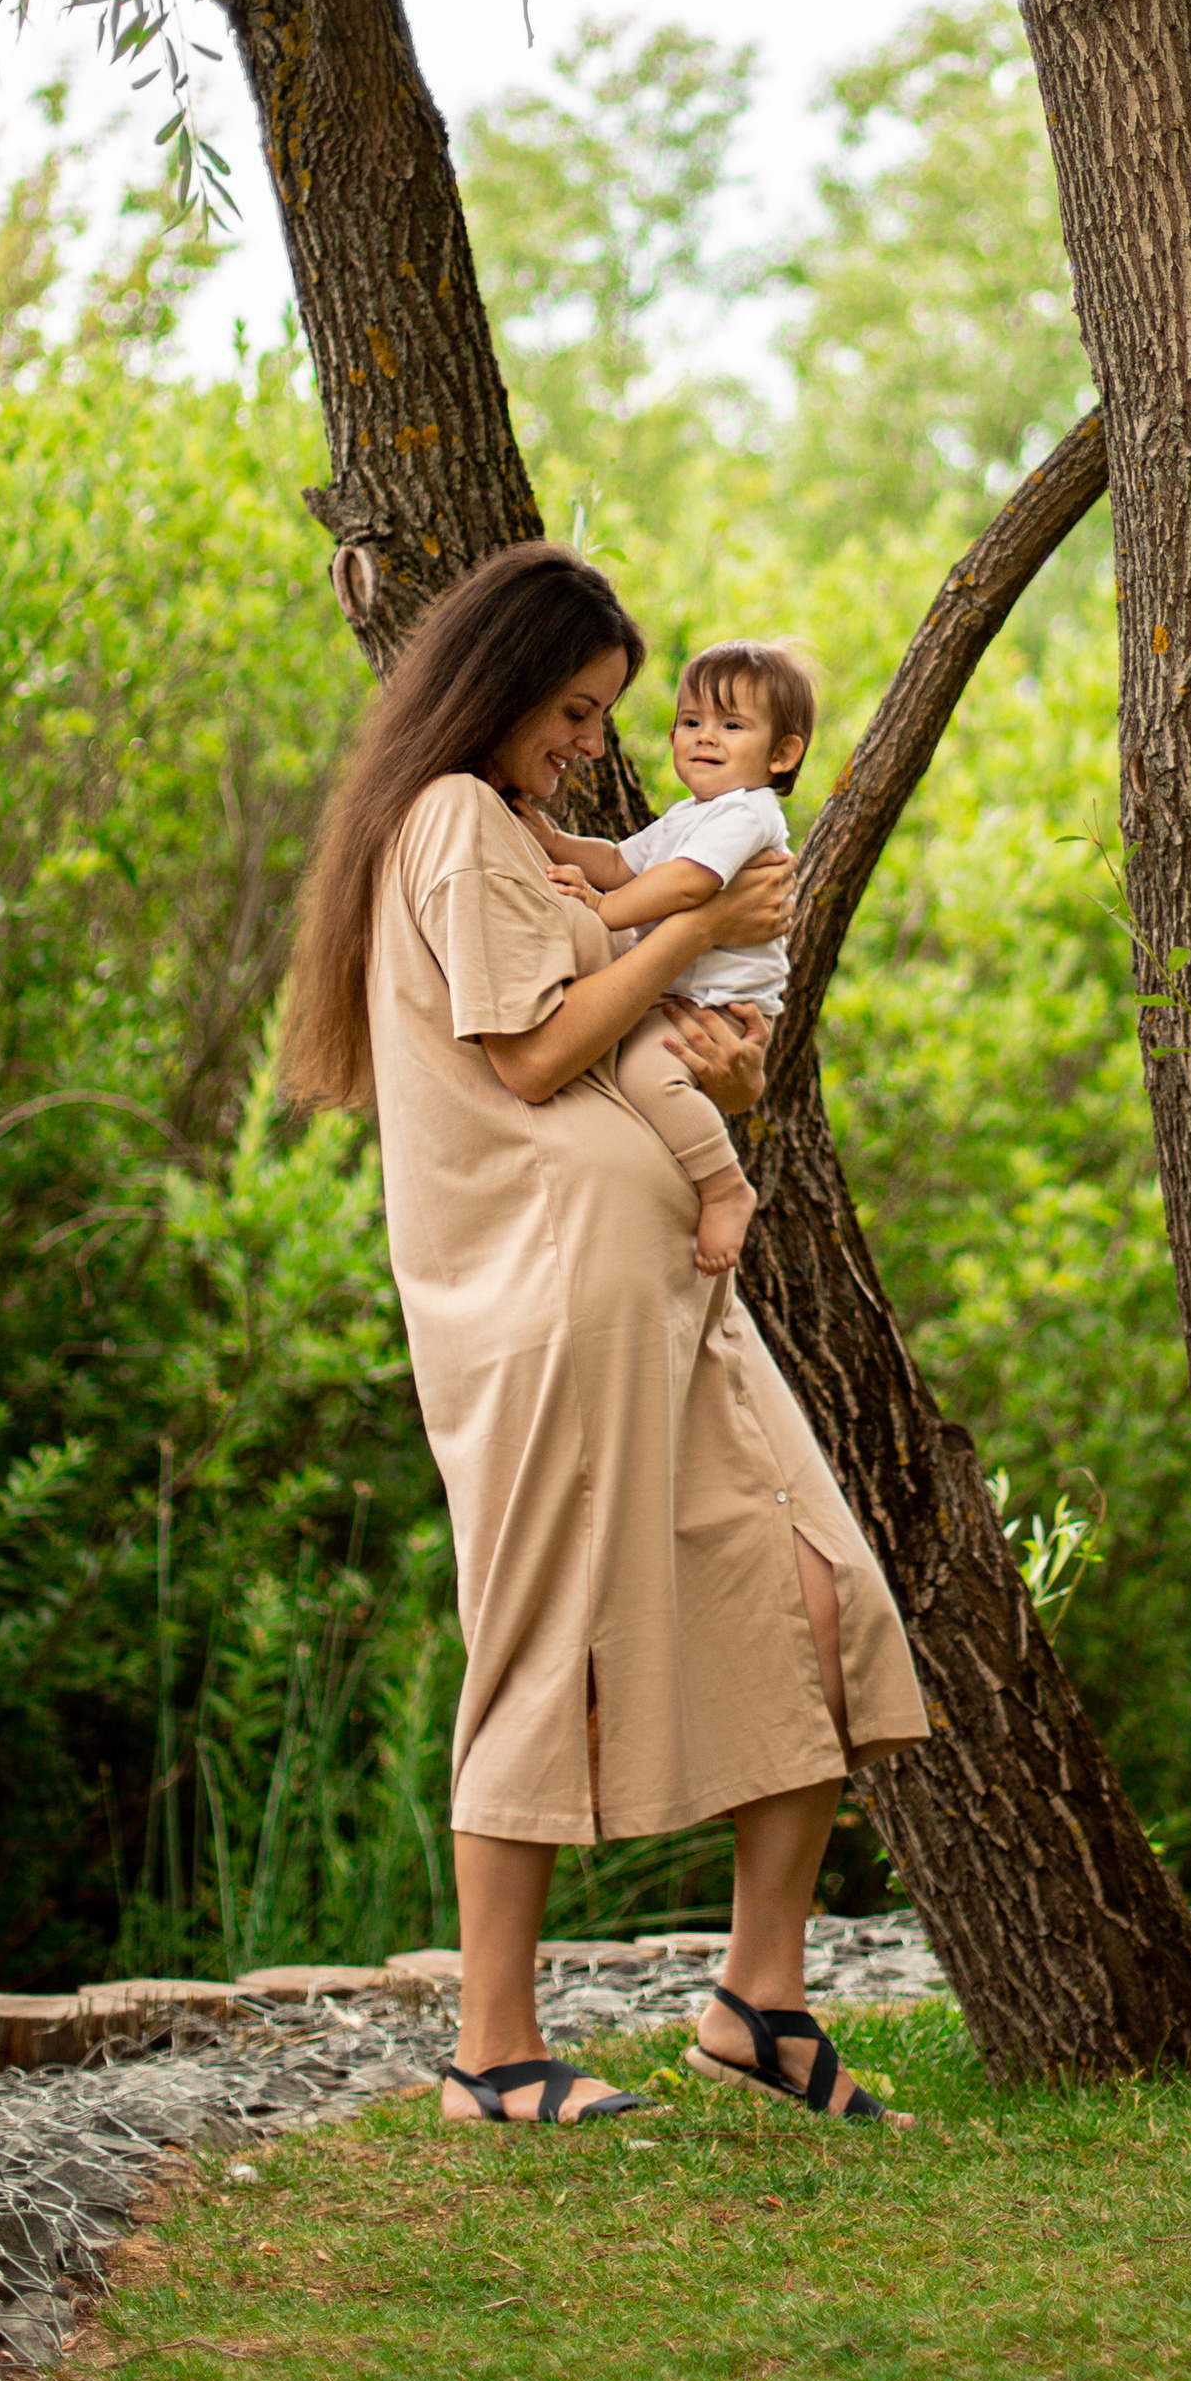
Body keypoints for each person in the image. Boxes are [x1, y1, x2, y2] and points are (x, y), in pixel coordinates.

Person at [280, 542, 928, 2131]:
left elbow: (623, 1039)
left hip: (673, 1297)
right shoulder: (446, 822)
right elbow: (531, 1053)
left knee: (822, 1592)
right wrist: (699, 911)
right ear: (497, 688)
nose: (589, 742)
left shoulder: (521, 832)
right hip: (551, 1300)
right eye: (573, 710)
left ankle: (756, 2006)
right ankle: (491, 2053)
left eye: (600, 715)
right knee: (544, 1637)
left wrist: (723, 1072)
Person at [521, 638, 813, 1289]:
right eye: (691, 721)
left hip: (722, 1009)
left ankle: (724, 1186)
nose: (705, 738)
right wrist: (556, 841)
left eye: (731, 725)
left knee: (647, 1073)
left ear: (781, 754)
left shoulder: (746, 813)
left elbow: (684, 885)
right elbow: (625, 859)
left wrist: (603, 908)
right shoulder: (693, 814)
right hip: (688, 996)